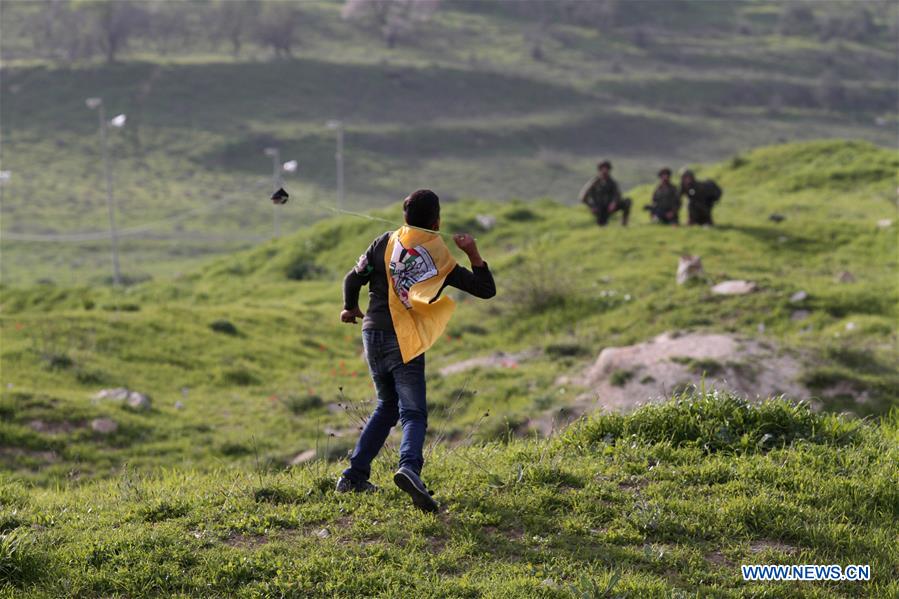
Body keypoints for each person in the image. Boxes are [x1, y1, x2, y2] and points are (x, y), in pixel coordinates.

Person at [337, 189, 496, 512]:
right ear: (437, 221)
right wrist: (473, 253)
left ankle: (354, 476)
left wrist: (350, 308)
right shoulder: (440, 257)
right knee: (413, 411)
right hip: (404, 339)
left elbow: (352, 280)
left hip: (373, 334)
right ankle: (409, 468)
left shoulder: (384, 241)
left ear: (404, 216)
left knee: (387, 405)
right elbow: (485, 290)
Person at [579, 160, 631, 226]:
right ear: (599, 170)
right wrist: (592, 206)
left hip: (609, 207)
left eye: (606, 169)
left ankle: (624, 224)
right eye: (603, 169)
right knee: (602, 224)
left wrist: (614, 203)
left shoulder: (611, 182)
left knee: (627, 202)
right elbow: (582, 197)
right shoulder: (593, 183)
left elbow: (617, 194)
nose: (605, 171)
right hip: (599, 208)